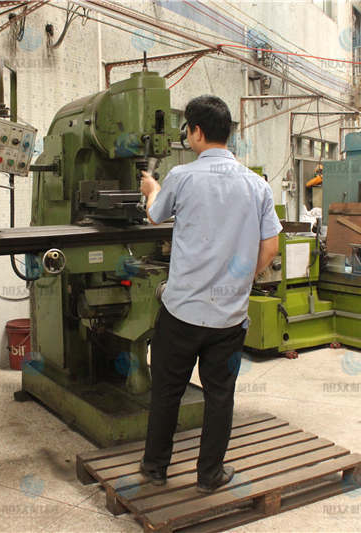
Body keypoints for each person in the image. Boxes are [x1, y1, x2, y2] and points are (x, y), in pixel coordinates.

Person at [138, 95, 282, 493]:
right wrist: (240, 281)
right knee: (220, 397)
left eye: (187, 129)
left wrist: (152, 188)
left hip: (181, 313)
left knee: (166, 393)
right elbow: (270, 248)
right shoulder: (257, 185)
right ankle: (209, 475)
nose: (187, 135)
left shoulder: (182, 177)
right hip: (228, 320)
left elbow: (154, 215)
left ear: (197, 132)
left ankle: (155, 469)